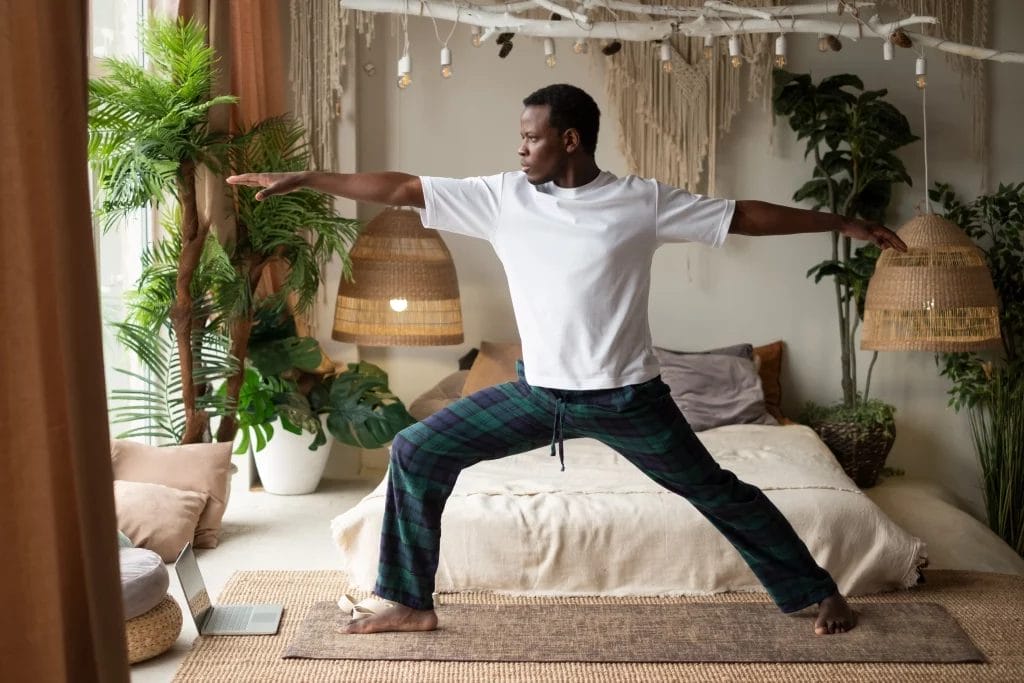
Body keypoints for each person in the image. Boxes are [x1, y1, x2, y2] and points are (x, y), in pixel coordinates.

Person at [227, 83, 907, 637]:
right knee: (415, 450)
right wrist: (312, 176)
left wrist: (841, 223)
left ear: (569, 139)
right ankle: (407, 598)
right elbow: (405, 187)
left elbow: (742, 216)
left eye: (531, 137)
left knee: (718, 492)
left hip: (628, 400)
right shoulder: (503, 198)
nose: (520, 148)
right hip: (538, 395)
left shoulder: (638, 202)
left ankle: (815, 591)